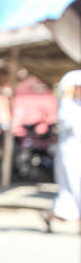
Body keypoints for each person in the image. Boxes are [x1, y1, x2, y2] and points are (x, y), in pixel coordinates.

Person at [41, 70, 81, 232]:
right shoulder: (67, 107)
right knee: (73, 191)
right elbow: (66, 122)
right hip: (71, 155)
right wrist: (66, 96)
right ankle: (50, 215)